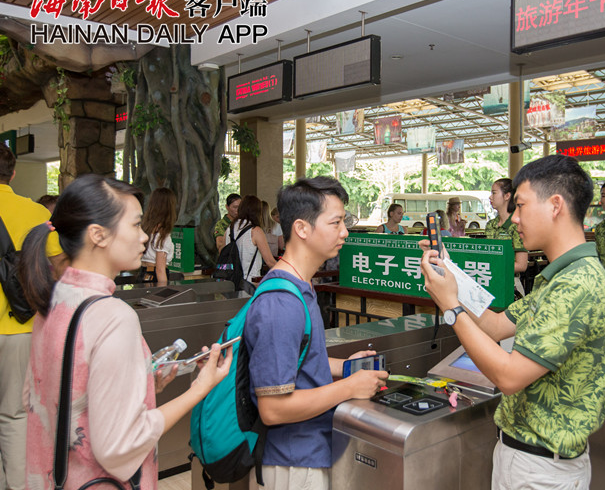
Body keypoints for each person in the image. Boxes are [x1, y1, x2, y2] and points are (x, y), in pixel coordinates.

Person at [18, 174, 231, 490]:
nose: (144, 237)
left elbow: (56, 395)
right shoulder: (113, 317)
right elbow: (119, 447)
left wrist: (143, 382)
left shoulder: (52, 301)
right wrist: (200, 388)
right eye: (135, 225)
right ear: (98, 234)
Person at [419, 155, 605, 490]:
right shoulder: (562, 276)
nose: (516, 219)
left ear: (555, 205)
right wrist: (450, 270)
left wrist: (450, 306)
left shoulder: (575, 285)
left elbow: (509, 377)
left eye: (521, 206)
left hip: (541, 469)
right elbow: (495, 325)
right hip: (528, 459)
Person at [244, 177, 388, 489]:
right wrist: (349, 387)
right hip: (292, 463)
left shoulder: (301, 286)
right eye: (335, 222)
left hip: (310, 453)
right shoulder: (281, 303)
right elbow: (273, 408)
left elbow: (299, 360)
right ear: (302, 228)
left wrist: (345, 367)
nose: (344, 231)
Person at [0, 143, 66, 490]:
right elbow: (60, 264)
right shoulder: (34, 212)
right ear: (12, 174)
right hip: (19, 326)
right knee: (13, 415)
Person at [485, 178, 529, 294]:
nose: (490, 197)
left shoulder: (516, 225)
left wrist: (494, 267)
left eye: (494, 193)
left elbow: (521, 265)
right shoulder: (490, 225)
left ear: (507, 196)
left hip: (511, 283)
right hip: (490, 281)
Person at [224, 196, 277, 287]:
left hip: (232, 282)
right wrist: (288, 273)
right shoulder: (255, 231)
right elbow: (269, 261)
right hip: (250, 282)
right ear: (257, 212)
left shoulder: (230, 228)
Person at [140, 187, 177, 284]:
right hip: (155, 276)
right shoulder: (162, 234)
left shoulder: (146, 228)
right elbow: (160, 270)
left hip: (144, 273)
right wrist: (164, 290)